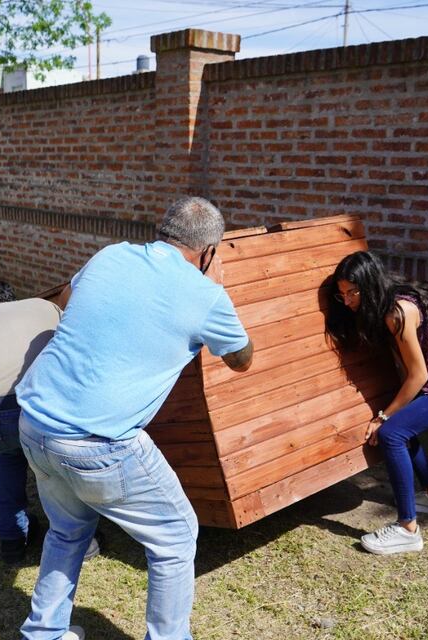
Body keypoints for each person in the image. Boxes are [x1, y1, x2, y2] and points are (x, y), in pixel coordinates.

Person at [15, 196, 253, 640]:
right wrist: (213, 291)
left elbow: (67, 301)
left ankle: (44, 632)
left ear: (163, 230)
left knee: (67, 532)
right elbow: (241, 359)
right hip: (100, 444)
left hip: (35, 421)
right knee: (176, 538)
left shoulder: (110, 255)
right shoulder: (206, 295)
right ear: (208, 252)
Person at [326, 250, 428, 555]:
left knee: (392, 432)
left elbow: (418, 375)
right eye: (342, 294)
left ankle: (408, 530)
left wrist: (383, 415)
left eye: (353, 292)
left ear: (371, 286)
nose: (348, 300)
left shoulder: (397, 312)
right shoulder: (389, 300)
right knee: (406, 423)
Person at [0, 279, 99, 564]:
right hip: (32, 404)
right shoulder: (45, 307)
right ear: (15, 299)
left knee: (8, 455)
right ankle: (82, 541)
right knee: (56, 458)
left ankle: (12, 538)